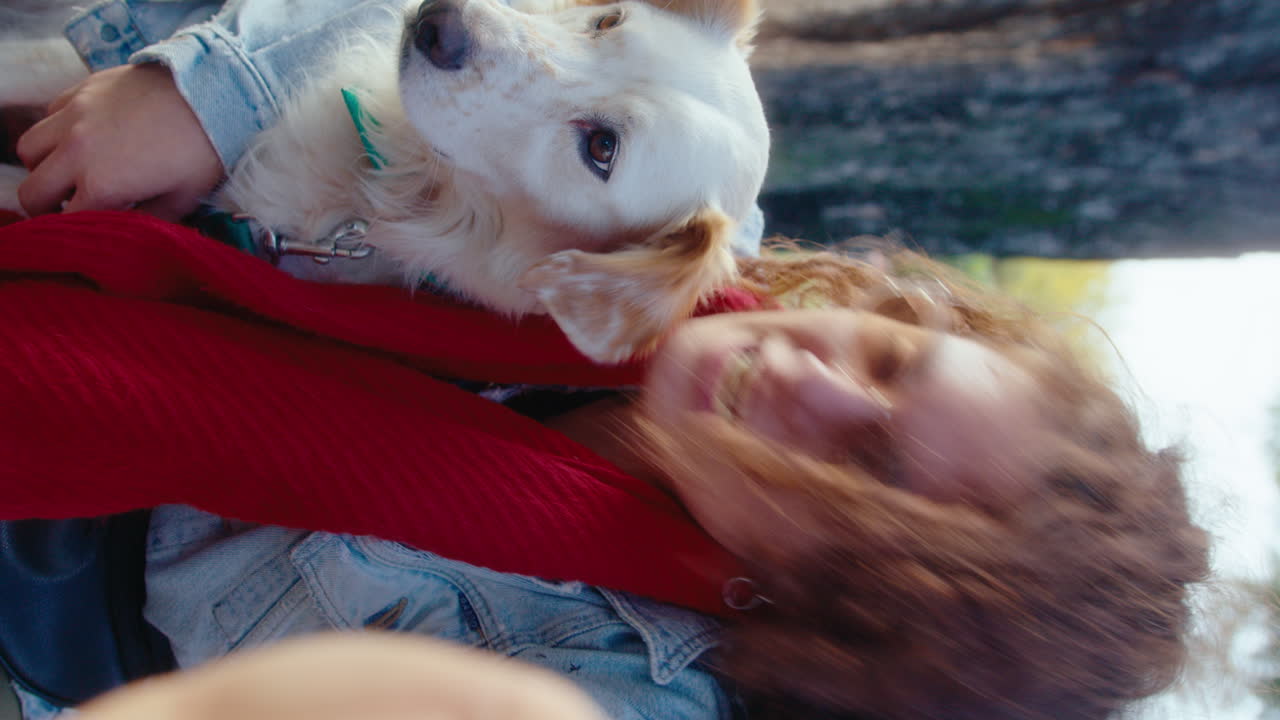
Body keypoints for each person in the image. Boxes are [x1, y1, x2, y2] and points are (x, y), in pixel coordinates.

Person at [0, 211, 1210, 720]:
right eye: (894, 364)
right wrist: (201, 98)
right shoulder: (656, 236)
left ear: (850, 617)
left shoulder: (633, 681)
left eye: (868, 463)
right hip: (68, 253)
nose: (814, 377)